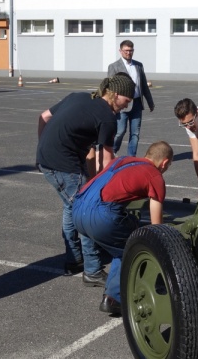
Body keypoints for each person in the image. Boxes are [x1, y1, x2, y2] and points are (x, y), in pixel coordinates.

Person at [36, 74, 135, 286]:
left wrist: (42, 148)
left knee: (71, 207)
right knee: (85, 211)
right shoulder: (108, 117)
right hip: (63, 164)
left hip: (47, 158)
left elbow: (43, 117)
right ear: (116, 95)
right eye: (127, 101)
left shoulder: (79, 97)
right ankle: (92, 270)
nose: (127, 106)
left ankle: (74, 260)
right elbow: (106, 160)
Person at [73, 141, 173, 315]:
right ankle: (114, 298)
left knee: (118, 232)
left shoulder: (121, 161)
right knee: (129, 247)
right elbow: (157, 225)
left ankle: (91, 271)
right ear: (164, 162)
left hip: (79, 207)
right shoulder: (154, 176)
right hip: (100, 215)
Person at [107, 40, 154, 156]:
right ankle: (112, 152)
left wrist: (150, 102)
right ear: (120, 51)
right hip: (121, 105)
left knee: (135, 133)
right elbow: (110, 88)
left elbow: (143, 85)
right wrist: (110, 106)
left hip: (137, 103)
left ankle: (131, 157)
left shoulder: (138, 65)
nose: (129, 53)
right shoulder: (113, 67)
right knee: (120, 131)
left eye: (131, 50)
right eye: (126, 50)